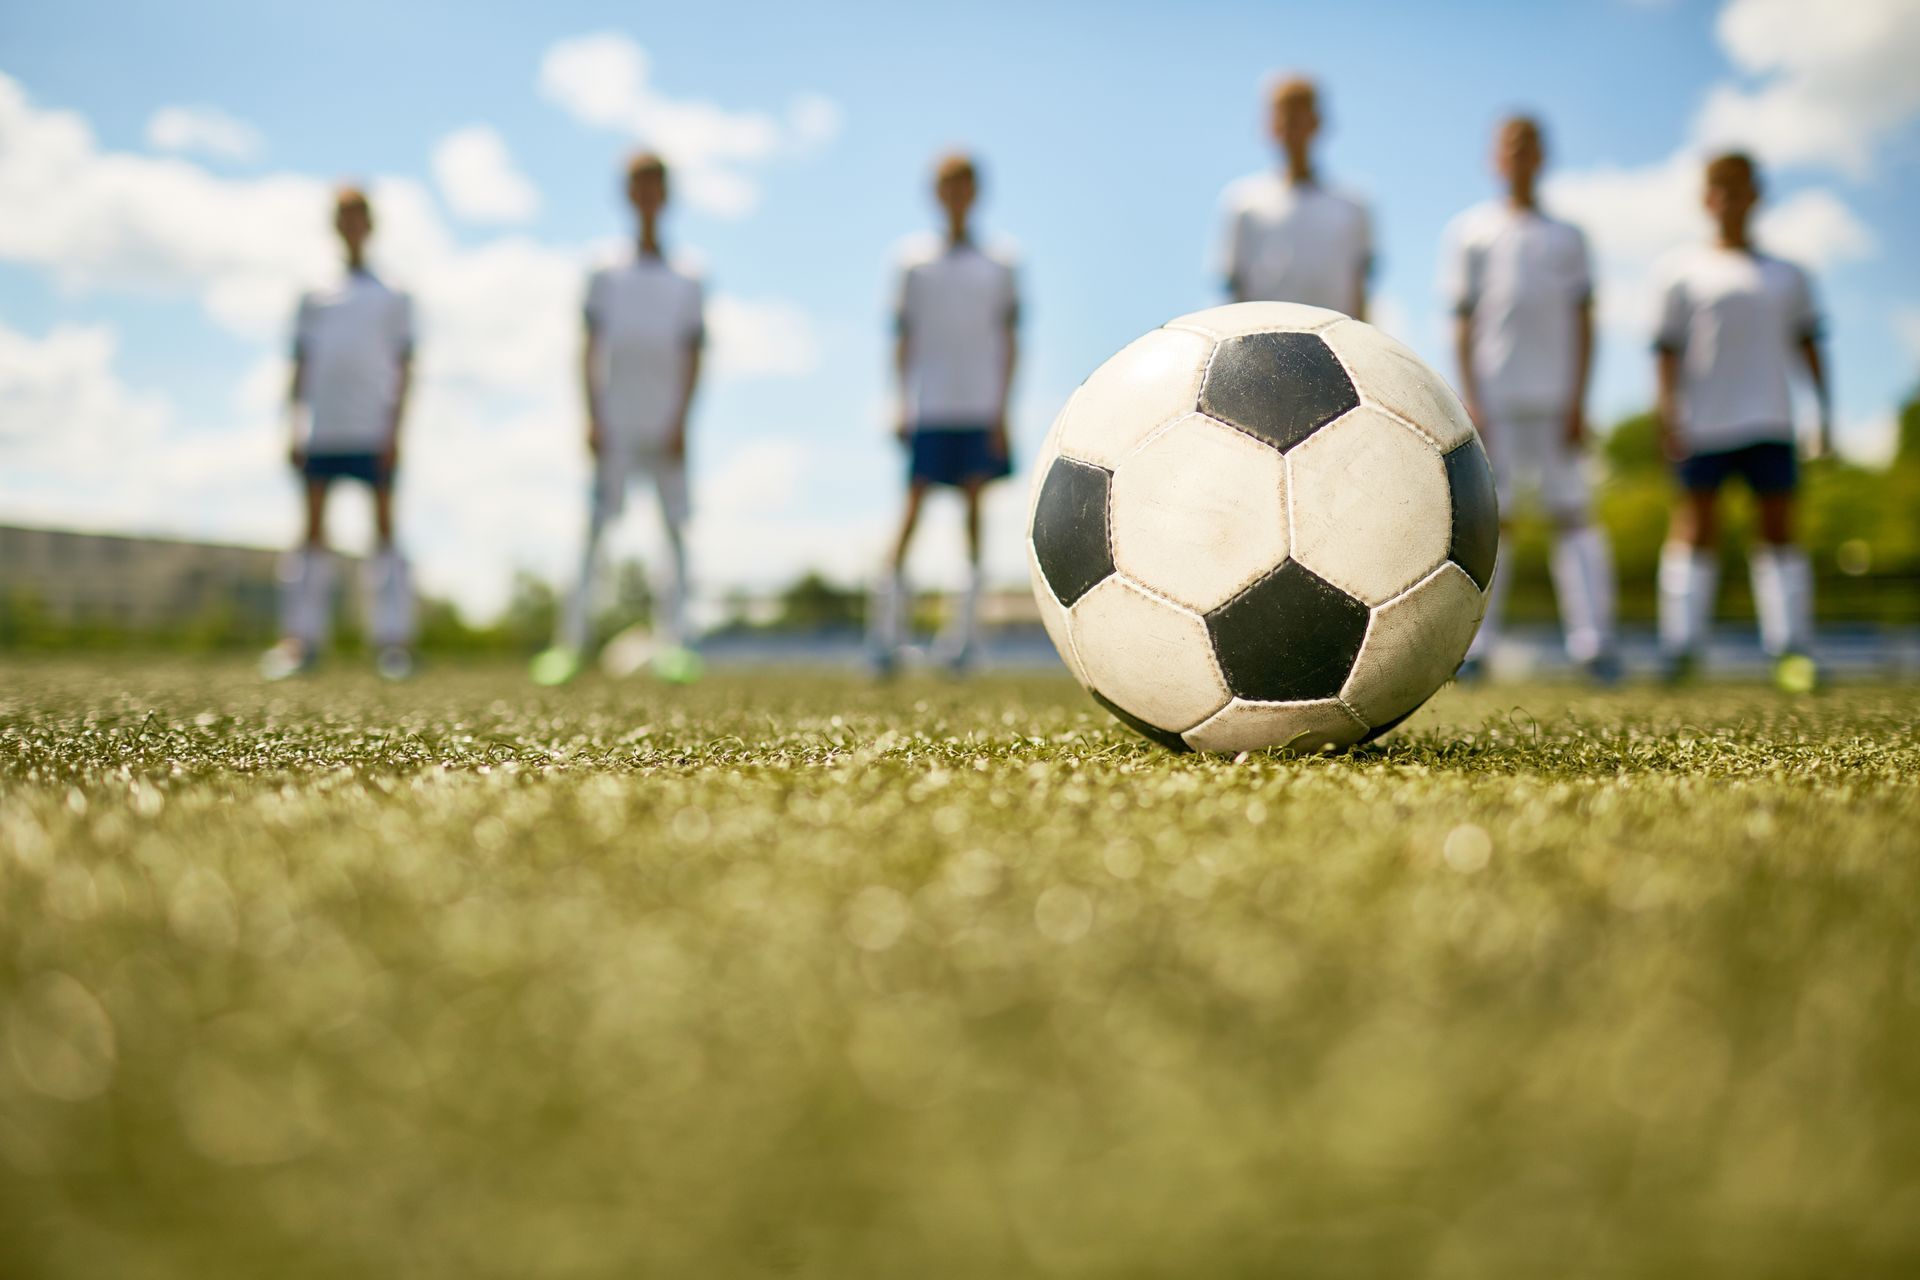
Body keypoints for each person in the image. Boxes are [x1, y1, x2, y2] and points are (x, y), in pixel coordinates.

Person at [1443, 115, 1618, 683]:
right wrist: (1472, 398)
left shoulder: (1568, 237)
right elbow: (1463, 322)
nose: (1519, 155)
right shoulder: (1470, 232)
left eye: (1529, 146)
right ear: (1494, 157)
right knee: (1497, 521)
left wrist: (1578, 399)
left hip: (1556, 399)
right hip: (1496, 401)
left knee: (1574, 517)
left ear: (1543, 156)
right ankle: (1477, 648)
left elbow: (1585, 320)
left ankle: (1594, 645)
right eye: (1509, 146)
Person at [1653, 150, 1830, 692]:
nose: (1730, 198)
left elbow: (1809, 345)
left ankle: (1791, 650)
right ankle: (1680, 650)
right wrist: (1668, 415)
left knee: (1777, 532)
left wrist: (1824, 412)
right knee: (1695, 530)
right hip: (1704, 424)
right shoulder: (1680, 272)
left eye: (1741, 187)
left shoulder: (1789, 274)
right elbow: (1666, 352)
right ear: (1708, 199)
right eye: (1720, 188)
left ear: (1756, 195)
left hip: (1770, 420)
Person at [532, 151, 705, 687]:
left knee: (674, 533)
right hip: (615, 420)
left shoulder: (688, 275)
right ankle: (570, 645)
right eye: (639, 184)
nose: (648, 194)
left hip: (666, 423)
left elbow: (694, 352)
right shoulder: (603, 269)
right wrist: (592, 414)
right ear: (629, 193)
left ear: (666, 194)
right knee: (593, 532)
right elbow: (589, 345)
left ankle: (674, 643)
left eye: (656, 183)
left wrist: (682, 419)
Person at [869, 151, 1019, 676]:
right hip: (929, 407)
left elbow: (1010, 340)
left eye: (963, 184)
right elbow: (901, 338)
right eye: (946, 185)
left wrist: (1002, 411)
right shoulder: (911, 261)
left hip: (979, 405)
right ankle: (885, 634)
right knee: (910, 512)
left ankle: (964, 639)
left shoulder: (1001, 262)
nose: (955, 194)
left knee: (975, 517)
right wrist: (899, 401)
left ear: (976, 192)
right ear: (935, 192)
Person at [262, 185, 416, 681]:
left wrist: (396, 429)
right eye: (343, 216)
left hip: (373, 429)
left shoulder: (393, 294)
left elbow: (405, 366)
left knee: (385, 533)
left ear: (369, 225)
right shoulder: (314, 294)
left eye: (358, 216)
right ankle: (301, 640)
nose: (352, 225)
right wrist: (293, 424)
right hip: (323, 429)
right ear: (336, 224)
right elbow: (300, 364)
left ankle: (392, 642)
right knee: (311, 534)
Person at [1217, 75, 1371, 317]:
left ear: (1317, 122)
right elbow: (1233, 291)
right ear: (1271, 126)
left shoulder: (1352, 206)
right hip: (1265, 345)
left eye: (1300, 116)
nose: (1292, 127)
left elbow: (1361, 290)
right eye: (1284, 116)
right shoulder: (1243, 202)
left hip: (1336, 346)